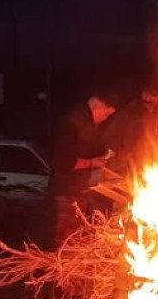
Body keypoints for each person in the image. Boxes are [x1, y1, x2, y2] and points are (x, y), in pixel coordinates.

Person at [48, 93, 118, 248]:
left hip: (78, 189)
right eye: (106, 113)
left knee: (75, 233)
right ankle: (61, 266)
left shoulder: (88, 124)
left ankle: (69, 264)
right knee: (64, 236)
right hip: (66, 191)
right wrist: (92, 163)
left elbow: (92, 148)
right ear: (96, 107)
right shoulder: (72, 124)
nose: (106, 118)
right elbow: (64, 161)